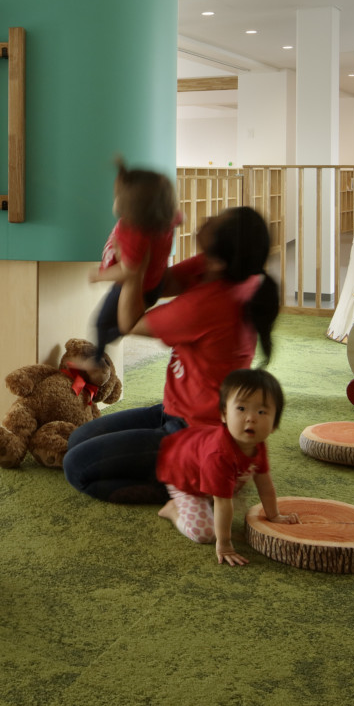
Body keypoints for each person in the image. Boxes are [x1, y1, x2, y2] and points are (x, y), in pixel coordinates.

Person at [60, 206, 282, 504]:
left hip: (196, 432)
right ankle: (204, 468)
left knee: (77, 468)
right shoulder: (232, 270)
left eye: (214, 222)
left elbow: (129, 322)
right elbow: (163, 283)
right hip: (176, 410)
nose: (206, 219)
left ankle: (202, 481)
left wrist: (132, 269)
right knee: (77, 439)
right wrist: (150, 245)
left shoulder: (209, 306)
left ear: (219, 259)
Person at [155, 369, 287, 565]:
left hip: (204, 465)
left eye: (261, 412)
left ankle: (211, 492)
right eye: (241, 408)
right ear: (224, 415)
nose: (251, 418)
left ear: (274, 424)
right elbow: (223, 503)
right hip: (184, 478)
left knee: (231, 491)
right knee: (206, 533)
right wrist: (224, 544)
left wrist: (274, 515)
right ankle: (173, 509)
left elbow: (264, 481)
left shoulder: (258, 444)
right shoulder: (219, 455)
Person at [76, 159, 180, 374]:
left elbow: (129, 270)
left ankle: (96, 362)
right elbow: (181, 217)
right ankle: (102, 352)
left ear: (135, 205)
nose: (115, 199)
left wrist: (99, 276)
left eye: (119, 195)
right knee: (115, 325)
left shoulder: (135, 232)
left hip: (134, 290)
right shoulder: (165, 219)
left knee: (102, 324)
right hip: (155, 284)